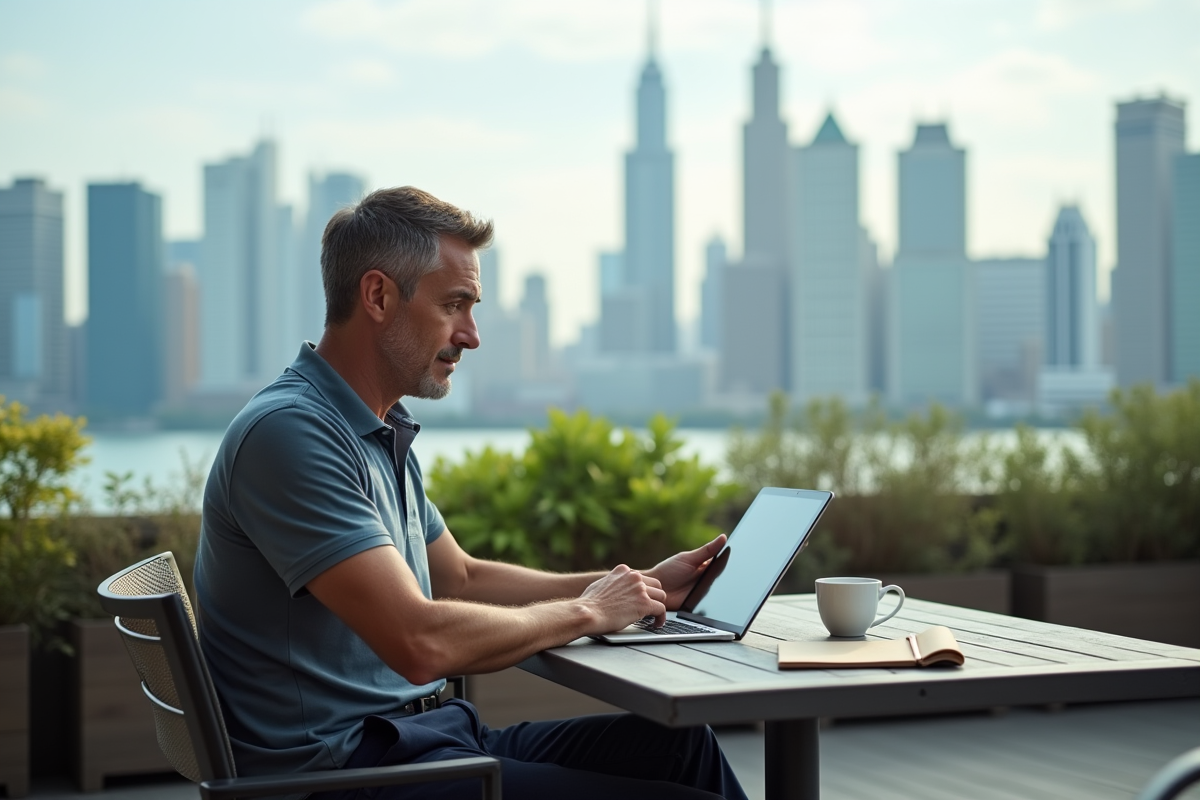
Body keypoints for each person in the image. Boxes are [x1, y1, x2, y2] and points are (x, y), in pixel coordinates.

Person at [194, 186, 749, 800]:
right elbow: (419, 641)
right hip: (348, 775)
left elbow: (458, 578)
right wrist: (589, 613)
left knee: (680, 747)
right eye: (454, 305)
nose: (472, 335)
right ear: (378, 296)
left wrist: (637, 585)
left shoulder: (374, 428)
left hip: (426, 740)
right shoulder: (291, 434)